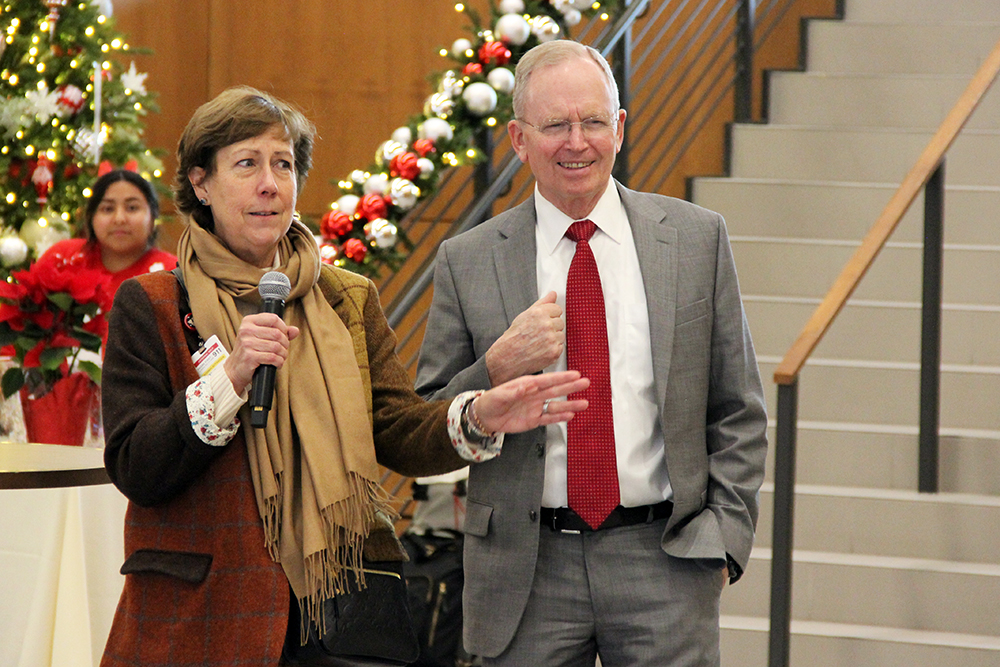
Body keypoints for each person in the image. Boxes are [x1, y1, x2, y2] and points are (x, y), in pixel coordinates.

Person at [99, 86, 589, 667]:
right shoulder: (152, 302)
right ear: (201, 183)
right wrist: (228, 381)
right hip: (203, 615)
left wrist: (476, 415)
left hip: (337, 612)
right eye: (247, 164)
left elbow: (397, 427)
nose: (269, 184)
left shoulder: (346, 298)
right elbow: (135, 466)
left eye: (283, 164)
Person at [415, 40, 768, 666]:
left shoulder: (695, 239)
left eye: (593, 121)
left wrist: (723, 541)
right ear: (520, 140)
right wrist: (497, 367)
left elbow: (737, 409)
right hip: (526, 570)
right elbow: (425, 426)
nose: (576, 142)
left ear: (620, 127)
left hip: (667, 558)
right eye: (555, 126)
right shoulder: (469, 261)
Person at [38, 168, 177, 299]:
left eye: (132, 208)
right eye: (108, 209)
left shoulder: (172, 275)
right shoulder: (62, 257)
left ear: (153, 218)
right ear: (91, 217)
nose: (119, 219)